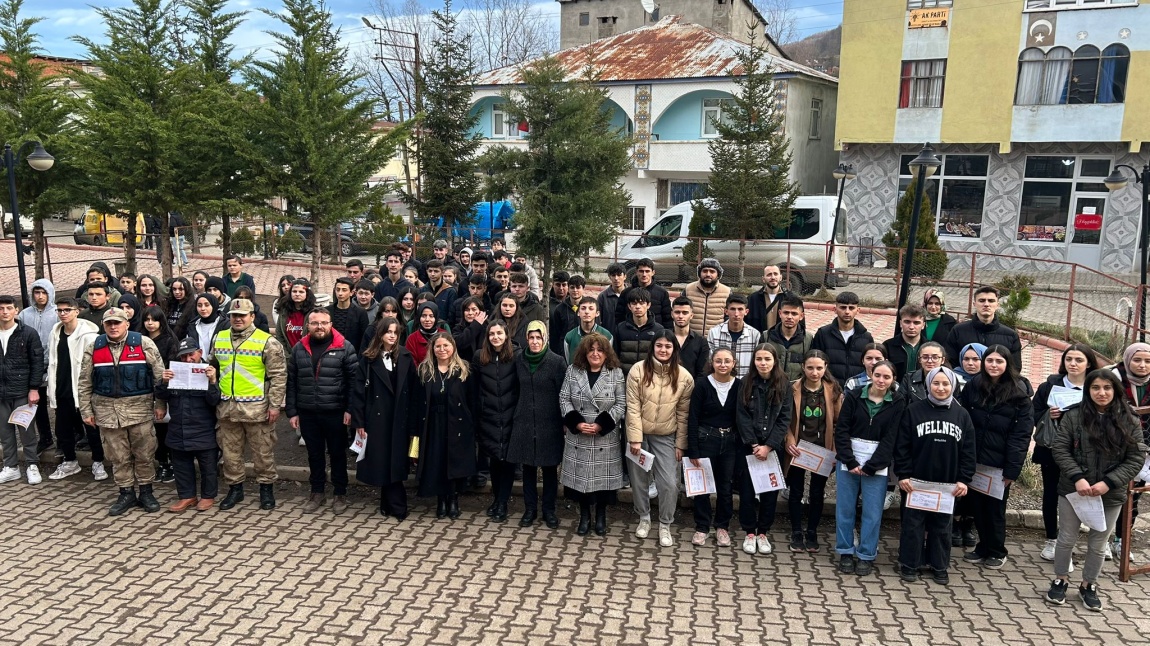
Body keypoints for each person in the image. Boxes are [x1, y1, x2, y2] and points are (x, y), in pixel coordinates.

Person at [1047, 369, 1147, 611]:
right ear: (1088, 390)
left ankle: (1088, 584)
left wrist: (1108, 483)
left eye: (1107, 388)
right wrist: (1078, 478)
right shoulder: (1073, 416)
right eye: (1095, 388)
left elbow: (1136, 458)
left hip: (1110, 494)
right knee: (1066, 538)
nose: (1101, 393)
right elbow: (1060, 449)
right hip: (1073, 490)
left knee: (1098, 543)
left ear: (1115, 390)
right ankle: (1060, 579)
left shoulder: (1129, 419)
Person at [77, 308, 166, 515]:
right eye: (109, 323)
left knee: (144, 454)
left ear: (127, 323)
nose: (113, 327)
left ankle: (146, 491)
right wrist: (86, 410)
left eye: (117, 323)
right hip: (107, 414)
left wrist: (161, 404)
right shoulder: (94, 347)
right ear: (104, 325)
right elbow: (84, 382)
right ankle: (125, 492)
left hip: (140, 412)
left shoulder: (144, 344)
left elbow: (159, 377)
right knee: (118, 456)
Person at [894, 366, 976, 584]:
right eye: (936, 383)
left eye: (945, 384)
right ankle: (910, 563)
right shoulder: (913, 410)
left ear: (953, 386)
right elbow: (902, 446)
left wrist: (964, 479)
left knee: (942, 527)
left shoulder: (962, 415)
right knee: (913, 525)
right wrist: (903, 474)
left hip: (947, 485)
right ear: (928, 384)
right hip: (916, 482)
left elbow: (969, 451)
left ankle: (939, 565)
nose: (941, 388)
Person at [959, 345, 1034, 570]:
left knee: (995, 510)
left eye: (999, 361)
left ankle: (997, 550)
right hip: (975, 460)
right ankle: (982, 547)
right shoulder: (974, 386)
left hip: (999, 465)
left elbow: (1021, 436)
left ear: (1007, 364)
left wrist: (1012, 469)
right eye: (989, 360)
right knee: (976, 507)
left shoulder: (1019, 394)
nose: (993, 365)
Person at [212, 299, 288, 512]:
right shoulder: (220, 338)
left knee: (263, 453)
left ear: (252, 317)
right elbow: (213, 366)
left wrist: (275, 406)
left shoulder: (267, 342)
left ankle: (266, 489)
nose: (237, 319)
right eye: (234, 315)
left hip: (257, 409)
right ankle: (235, 489)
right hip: (227, 408)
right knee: (230, 453)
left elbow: (278, 376)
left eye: (242, 315)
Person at [833, 359, 906, 576]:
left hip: (877, 467)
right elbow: (842, 429)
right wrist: (851, 461)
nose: (881, 380)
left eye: (887, 377)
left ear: (893, 380)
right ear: (871, 375)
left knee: (872, 512)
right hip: (849, 462)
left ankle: (866, 554)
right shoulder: (855, 396)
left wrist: (873, 465)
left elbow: (892, 437)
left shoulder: (898, 402)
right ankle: (845, 551)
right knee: (844, 509)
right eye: (878, 375)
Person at [626, 330, 694, 547]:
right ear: (652, 347)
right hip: (640, 435)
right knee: (639, 480)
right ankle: (644, 518)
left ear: (674, 349)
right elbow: (633, 406)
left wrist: (681, 444)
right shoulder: (638, 370)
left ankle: (665, 523)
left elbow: (684, 414)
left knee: (670, 483)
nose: (663, 350)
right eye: (659, 346)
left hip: (666, 436)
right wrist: (635, 438)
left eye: (668, 346)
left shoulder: (684, 377)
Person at [287, 309, 358, 514]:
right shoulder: (299, 349)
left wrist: (350, 409)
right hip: (308, 412)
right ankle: (317, 492)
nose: (320, 326)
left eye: (324, 323)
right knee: (314, 455)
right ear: (308, 326)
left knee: (337, 454)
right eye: (315, 323)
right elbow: (291, 382)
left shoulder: (344, 347)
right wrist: (292, 411)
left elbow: (354, 383)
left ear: (331, 324)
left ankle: (340, 493)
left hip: (335, 412)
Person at [1033, 344, 1100, 561]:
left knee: (1083, 493)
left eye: (1078, 360)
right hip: (1052, 449)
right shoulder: (1050, 385)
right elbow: (1032, 413)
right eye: (1069, 359)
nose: (1072, 364)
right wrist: (1047, 414)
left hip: (1087, 452)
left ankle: (1095, 540)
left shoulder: (1096, 386)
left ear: (1088, 363)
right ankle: (1052, 539)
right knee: (1051, 493)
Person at [560, 333, 626, 537]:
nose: (595, 354)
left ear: (607, 353)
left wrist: (601, 424)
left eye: (600, 350)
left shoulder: (615, 373)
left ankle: (600, 517)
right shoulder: (573, 371)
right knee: (582, 482)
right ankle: (584, 516)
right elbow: (564, 398)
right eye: (591, 350)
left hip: (604, 437)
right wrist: (577, 423)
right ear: (584, 352)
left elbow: (621, 403)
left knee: (602, 483)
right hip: (579, 435)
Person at [351, 318, 417, 520]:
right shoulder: (368, 360)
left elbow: (414, 390)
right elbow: (358, 393)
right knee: (382, 459)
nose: (392, 336)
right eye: (388, 331)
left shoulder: (406, 356)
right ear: (380, 334)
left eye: (395, 332)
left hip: (400, 417)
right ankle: (396, 504)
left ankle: (390, 503)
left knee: (395, 459)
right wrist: (359, 422)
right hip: (377, 418)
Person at [507, 321, 567, 528]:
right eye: (531, 338)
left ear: (545, 339)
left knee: (550, 469)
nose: (534, 341)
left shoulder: (556, 362)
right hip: (524, 420)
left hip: (549, 422)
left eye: (538, 338)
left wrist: (564, 422)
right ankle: (530, 509)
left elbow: (563, 394)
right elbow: (514, 389)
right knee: (528, 468)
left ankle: (549, 510)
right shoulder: (519, 360)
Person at [734, 343, 792, 555]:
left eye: (767, 359)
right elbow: (741, 415)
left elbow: (784, 418)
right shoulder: (745, 382)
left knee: (770, 492)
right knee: (747, 492)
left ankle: (763, 532)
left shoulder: (784, 384)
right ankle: (749, 532)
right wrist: (754, 444)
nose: (763, 363)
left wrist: (768, 446)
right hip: (749, 447)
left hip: (772, 448)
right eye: (759, 359)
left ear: (774, 361)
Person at [784, 350, 842, 553]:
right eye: (810, 367)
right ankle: (796, 531)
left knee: (817, 492)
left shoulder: (833, 389)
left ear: (825, 367)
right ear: (803, 367)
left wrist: (835, 447)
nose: (814, 372)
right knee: (796, 490)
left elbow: (838, 422)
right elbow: (785, 419)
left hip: (822, 449)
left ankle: (812, 531)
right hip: (799, 448)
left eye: (819, 368)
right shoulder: (792, 388)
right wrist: (789, 439)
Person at [413, 332, 476, 519]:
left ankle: (453, 500)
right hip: (433, 423)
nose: (442, 349)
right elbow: (418, 401)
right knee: (437, 461)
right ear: (433, 349)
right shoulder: (424, 370)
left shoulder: (463, 369)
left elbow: (471, 400)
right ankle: (441, 500)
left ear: (453, 347)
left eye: (446, 346)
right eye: (438, 346)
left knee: (453, 461)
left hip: (457, 423)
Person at [155, 338, 221, 512]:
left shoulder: (210, 371)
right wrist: (163, 382)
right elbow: (161, 394)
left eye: (191, 355)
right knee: (181, 464)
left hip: (203, 428)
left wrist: (213, 382)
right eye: (183, 357)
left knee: (208, 466)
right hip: (178, 428)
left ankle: (208, 496)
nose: (187, 360)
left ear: (199, 352)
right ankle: (187, 496)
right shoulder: (175, 372)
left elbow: (215, 401)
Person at [45, 297, 105, 482]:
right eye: (60, 310)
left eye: (67, 310)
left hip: (83, 390)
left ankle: (98, 462)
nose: (63, 314)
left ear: (76, 311)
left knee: (92, 428)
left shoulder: (89, 335)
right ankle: (70, 461)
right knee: (63, 429)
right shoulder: (54, 333)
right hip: (61, 389)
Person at [686, 348, 741, 547]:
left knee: (725, 487)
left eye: (727, 361)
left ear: (734, 363)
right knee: (702, 487)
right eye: (719, 361)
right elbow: (692, 418)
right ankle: (702, 526)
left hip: (730, 443)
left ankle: (722, 527)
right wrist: (693, 448)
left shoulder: (740, 386)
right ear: (712, 362)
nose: (723, 365)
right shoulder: (702, 385)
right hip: (705, 439)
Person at [472, 320, 520, 523]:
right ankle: (497, 499)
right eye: (492, 334)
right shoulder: (479, 357)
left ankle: (502, 502)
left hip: (510, 416)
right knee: (494, 459)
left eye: (499, 333)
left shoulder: (516, 356)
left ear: (506, 335)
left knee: (507, 461)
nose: (495, 337)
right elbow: (475, 389)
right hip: (489, 416)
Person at [0, 295, 45, 485]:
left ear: (16, 310)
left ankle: (32, 465)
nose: (4, 312)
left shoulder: (28, 333)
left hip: (22, 391)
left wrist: (34, 388)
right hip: (1, 392)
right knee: (4, 432)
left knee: (26, 430)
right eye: (1, 308)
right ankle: (10, 467)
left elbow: (37, 363)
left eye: (9, 308)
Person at [1114, 342, 1150, 558]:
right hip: (1113, 446)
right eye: (1137, 360)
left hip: (1142, 451)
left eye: (1147, 361)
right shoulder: (1113, 379)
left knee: (1132, 497)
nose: (1143, 365)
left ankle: (1121, 540)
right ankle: (1103, 538)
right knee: (1110, 493)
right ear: (1128, 360)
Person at [141, 305, 178, 483]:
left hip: (164, 391)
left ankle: (168, 464)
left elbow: (172, 367)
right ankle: (160, 461)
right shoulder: (138, 340)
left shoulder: (170, 341)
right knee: (150, 431)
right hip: (143, 390)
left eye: (154, 320)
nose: (150, 323)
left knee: (164, 429)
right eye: (146, 320)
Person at [18, 278, 56, 452]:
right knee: (37, 401)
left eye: (44, 293)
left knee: (59, 402)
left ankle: (67, 437)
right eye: (37, 292)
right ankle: (45, 437)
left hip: (54, 362)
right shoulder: (25, 314)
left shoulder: (57, 312)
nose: (40, 296)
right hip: (32, 364)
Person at [944, 285, 1022, 370]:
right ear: (974, 304)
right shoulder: (958, 331)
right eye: (982, 300)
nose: (986, 304)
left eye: (991, 301)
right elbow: (950, 362)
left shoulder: (1011, 336)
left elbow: (1015, 368)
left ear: (997, 305)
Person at [812, 291, 873, 387]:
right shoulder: (823, 334)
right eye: (843, 307)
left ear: (858, 310)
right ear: (835, 309)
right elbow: (815, 362)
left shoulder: (866, 337)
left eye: (851, 308)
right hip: (829, 388)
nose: (847, 311)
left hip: (857, 390)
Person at [613, 288, 665, 377]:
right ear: (629, 306)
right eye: (634, 303)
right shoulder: (620, 328)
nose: (637, 306)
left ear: (648, 305)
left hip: (649, 378)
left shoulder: (658, 329)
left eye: (641, 303)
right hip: (625, 377)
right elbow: (615, 355)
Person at [707, 294, 761, 378]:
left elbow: (757, 362)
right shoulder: (714, 333)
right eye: (732, 309)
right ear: (726, 311)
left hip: (746, 383)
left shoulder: (755, 335)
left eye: (740, 309)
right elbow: (710, 361)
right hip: (721, 382)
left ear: (746, 312)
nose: (736, 314)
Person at [765, 293, 811, 381]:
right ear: (780, 313)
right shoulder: (766, 336)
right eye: (786, 313)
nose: (789, 317)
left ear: (801, 316)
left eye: (794, 314)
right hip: (771, 388)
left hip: (796, 390)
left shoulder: (808, 339)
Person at [615, 258, 672, 329]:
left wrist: (666, 336)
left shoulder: (662, 293)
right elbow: (619, 316)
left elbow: (667, 318)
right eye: (641, 271)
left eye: (647, 271)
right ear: (636, 272)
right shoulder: (626, 293)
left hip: (656, 335)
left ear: (653, 272)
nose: (644, 274)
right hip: (630, 335)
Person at [683, 258, 731, 336]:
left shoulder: (727, 292)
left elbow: (728, 317)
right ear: (699, 273)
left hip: (716, 339)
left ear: (718, 274)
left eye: (712, 271)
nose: (708, 274)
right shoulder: (688, 289)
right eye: (705, 271)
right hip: (692, 338)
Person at [669, 296, 711, 382]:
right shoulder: (664, 339)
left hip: (692, 389)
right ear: (672, 314)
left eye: (685, 313)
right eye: (677, 312)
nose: (680, 316)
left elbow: (702, 372)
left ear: (691, 315)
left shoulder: (701, 342)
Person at [327, 277, 369, 354]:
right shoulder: (327, 311)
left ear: (352, 292)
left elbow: (364, 338)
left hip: (352, 354)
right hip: (330, 353)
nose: (340, 293)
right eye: (338, 289)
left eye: (344, 290)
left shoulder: (360, 313)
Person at [564, 296, 612, 363]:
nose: (586, 312)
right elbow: (568, 360)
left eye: (591, 309)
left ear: (597, 313)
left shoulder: (606, 335)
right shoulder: (569, 336)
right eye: (583, 308)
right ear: (578, 312)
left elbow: (609, 359)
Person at [884, 304, 926, 381]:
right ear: (900, 323)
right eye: (907, 322)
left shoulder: (930, 348)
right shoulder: (887, 346)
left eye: (916, 323)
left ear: (923, 325)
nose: (911, 327)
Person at [747, 265, 789, 334]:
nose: (773, 277)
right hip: (760, 341)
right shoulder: (752, 299)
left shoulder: (790, 298)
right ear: (763, 279)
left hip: (781, 341)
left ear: (780, 277)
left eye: (775, 274)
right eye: (769, 275)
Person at [275, 279, 314, 351]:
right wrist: (287, 355)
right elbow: (279, 334)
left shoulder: (313, 313)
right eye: (294, 291)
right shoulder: (284, 311)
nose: (297, 294)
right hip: (288, 356)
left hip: (307, 355)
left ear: (307, 294)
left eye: (301, 292)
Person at [548, 273, 579, 354]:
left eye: (564, 285)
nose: (561, 288)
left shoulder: (576, 304)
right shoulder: (545, 304)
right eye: (558, 285)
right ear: (553, 285)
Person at [597, 263, 627, 335]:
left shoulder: (631, 294)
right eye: (613, 275)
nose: (616, 278)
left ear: (625, 276)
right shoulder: (602, 297)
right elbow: (597, 319)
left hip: (627, 338)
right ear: (609, 277)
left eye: (619, 275)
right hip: (608, 337)